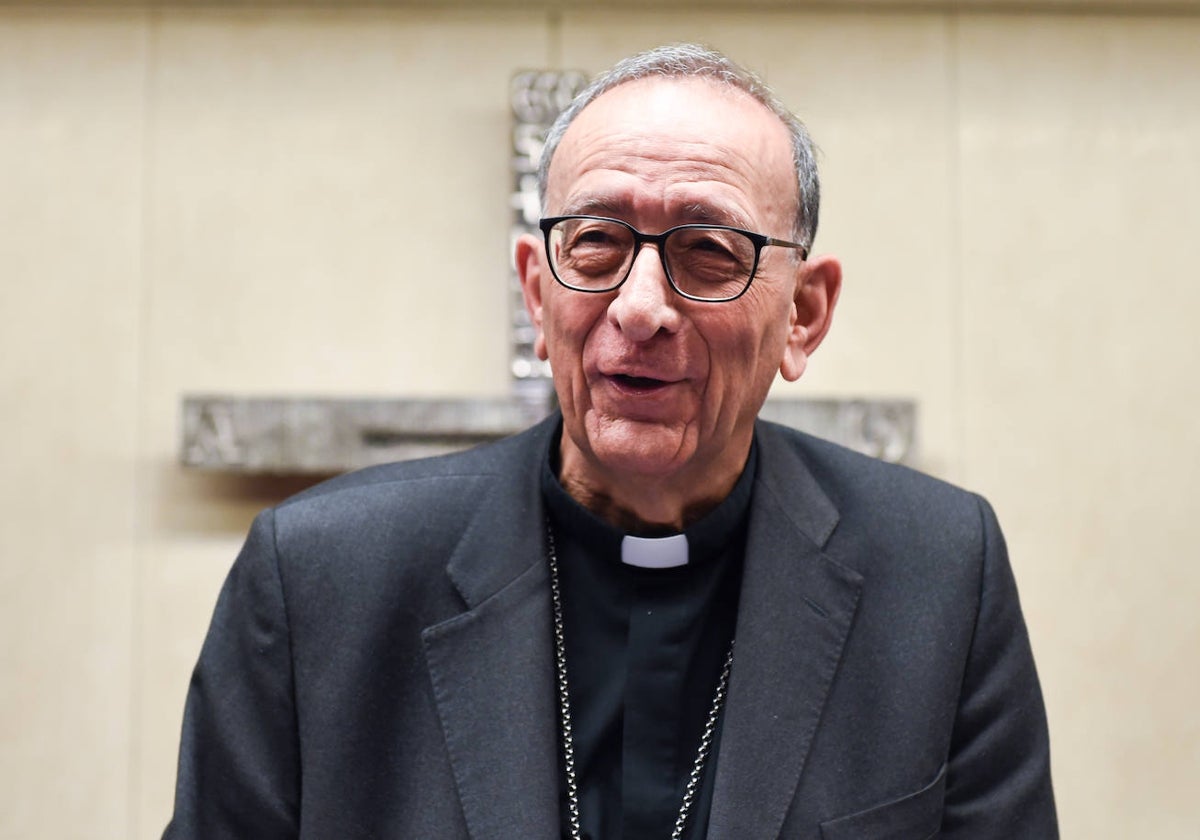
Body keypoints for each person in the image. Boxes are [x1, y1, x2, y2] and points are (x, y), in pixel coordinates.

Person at [163, 44, 1057, 840]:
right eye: (595, 243)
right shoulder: (321, 579)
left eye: (709, 249)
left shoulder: (939, 574)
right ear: (537, 293)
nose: (639, 307)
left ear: (805, 315)